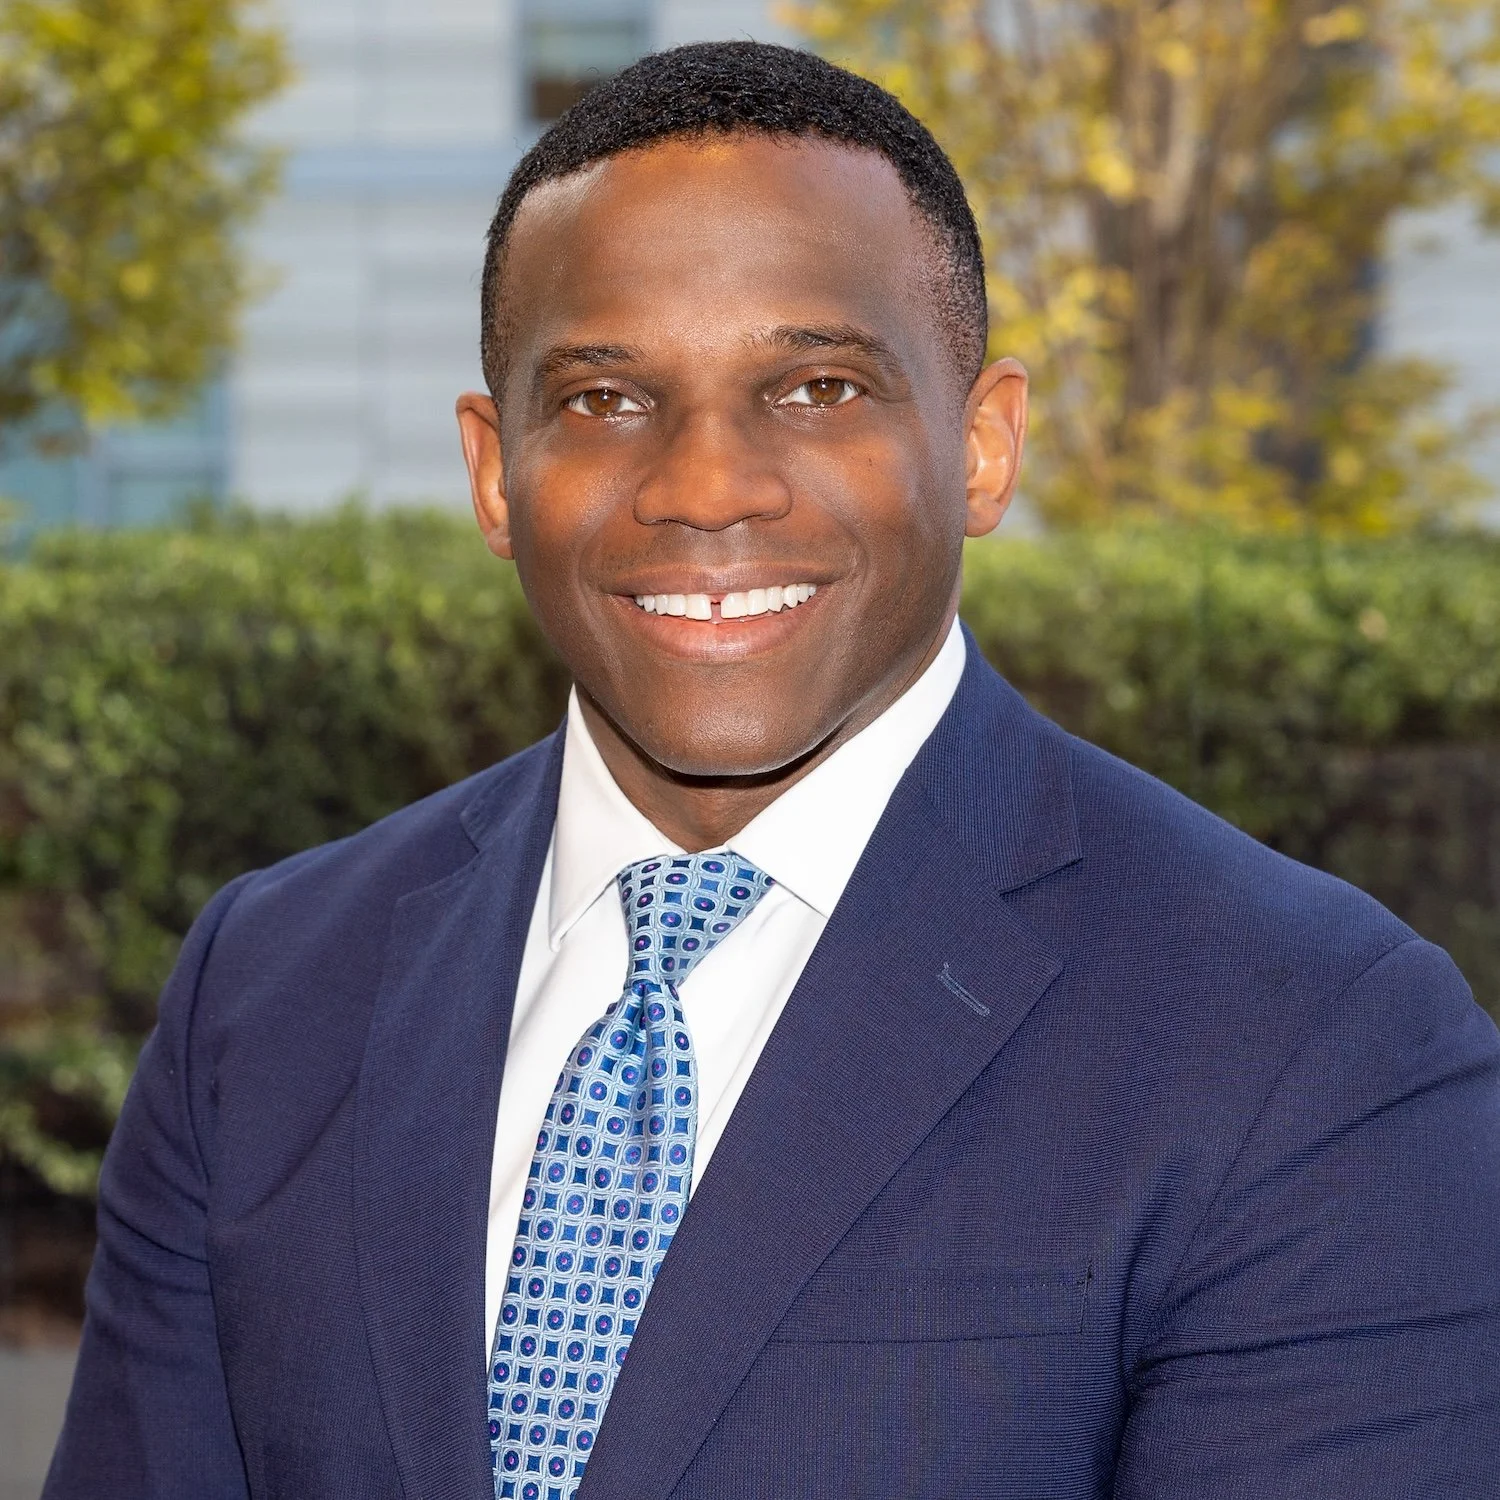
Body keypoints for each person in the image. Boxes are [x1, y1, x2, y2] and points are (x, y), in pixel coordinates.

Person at [44, 40, 1500, 1500]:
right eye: (607, 400)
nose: (703, 486)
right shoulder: (271, 989)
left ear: (984, 449)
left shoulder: (1310, 1039)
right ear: (496, 474)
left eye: (815, 388)